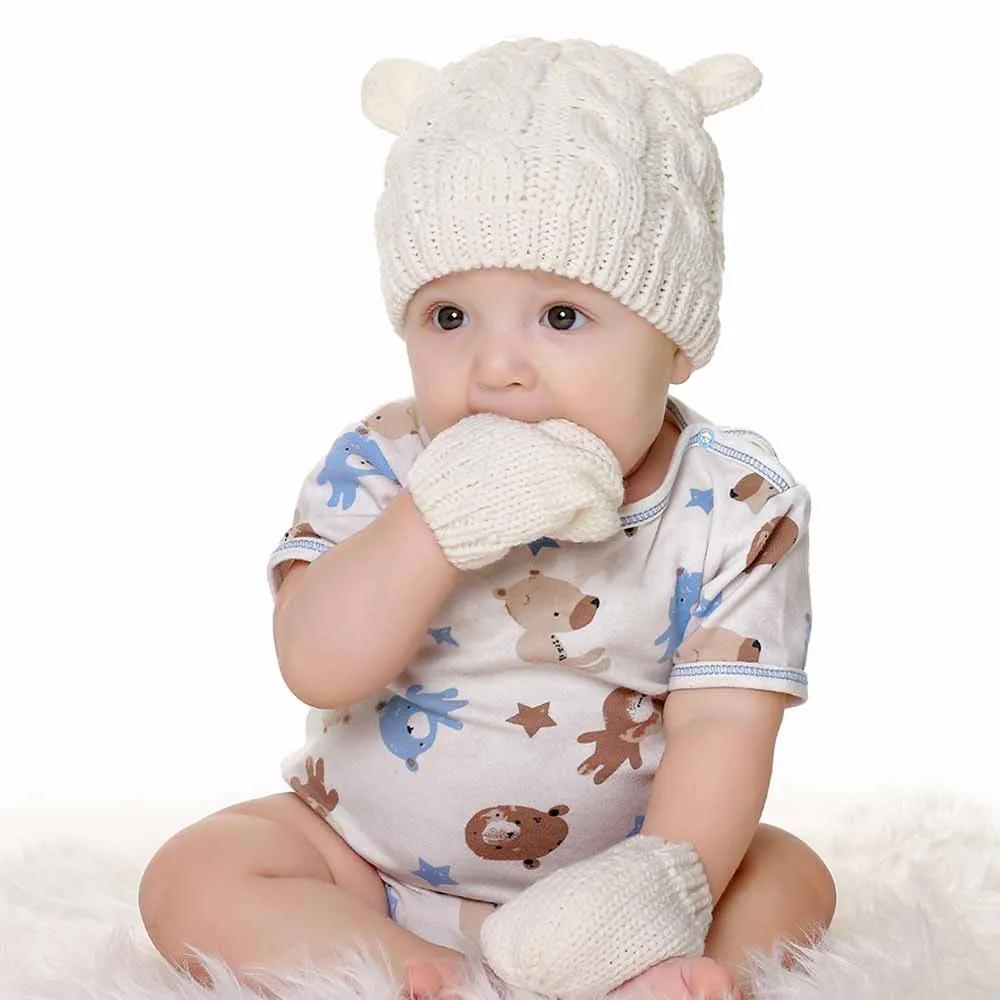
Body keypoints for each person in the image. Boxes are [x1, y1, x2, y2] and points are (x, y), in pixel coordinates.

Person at [138, 36, 837, 1000]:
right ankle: (421, 979)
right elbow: (315, 661)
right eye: (450, 318)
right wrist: (433, 523)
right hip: (367, 864)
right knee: (195, 871)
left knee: (790, 875)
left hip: (619, 885)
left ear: (676, 341)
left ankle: (649, 968)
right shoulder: (381, 464)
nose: (496, 369)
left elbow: (725, 724)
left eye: (560, 318)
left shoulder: (736, 505)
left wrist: (654, 888)